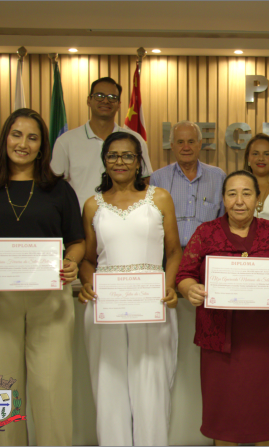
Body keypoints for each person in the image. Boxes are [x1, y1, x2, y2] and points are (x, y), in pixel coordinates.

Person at [0, 108, 85, 446]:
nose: (23, 144)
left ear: (42, 146)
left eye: (32, 138)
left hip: (51, 299)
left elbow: (76, 242)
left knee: (51, 387)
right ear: (5, 139)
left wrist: (72, 263)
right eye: (16, 135)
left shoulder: (60, 191)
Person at [177, 170, 269, 446]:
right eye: (232, 193)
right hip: (221, 341)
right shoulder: (206, 233)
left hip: (268, 342)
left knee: (266, 417)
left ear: (258, 200)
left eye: (247, 193)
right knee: (225, 418)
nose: (239, 200)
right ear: (223, 199)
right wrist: (191, 289)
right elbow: (184, 274)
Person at [78, 131, 182, 446]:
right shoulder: (92, 205)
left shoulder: (160, 197)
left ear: (139, 162)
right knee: (108, 385)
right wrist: (86, 283)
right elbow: (88, 258)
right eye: (113, 155)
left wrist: (169, 286)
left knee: (151, 385)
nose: (120, 161)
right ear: (104, 161)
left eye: (128, 156)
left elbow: (174, 251)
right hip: (105, 305)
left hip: (152, 303)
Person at [51, 76, 153, 208]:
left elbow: (144, 181)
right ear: (89, 100)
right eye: (99, 95)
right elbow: (55, 187)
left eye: (112, 97)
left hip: (125, 219)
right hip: (80, 221)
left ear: (119, 104)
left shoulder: (135, 140)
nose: (106, 101)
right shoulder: (66, 141)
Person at [150, 120, 226, 248]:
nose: (186, 147)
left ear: (199, 144)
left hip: (206, 255)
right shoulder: (158, 178)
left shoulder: (218, 177)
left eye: (191, 142)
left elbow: (224, 222)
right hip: (168, 256)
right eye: (180, 142)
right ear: (172, 145)